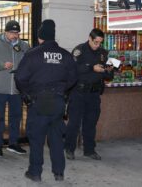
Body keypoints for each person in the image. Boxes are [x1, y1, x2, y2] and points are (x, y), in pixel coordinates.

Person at [15, 20, 77, 182]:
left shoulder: (32, 54)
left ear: (40, 37)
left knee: (36, 139)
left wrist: (27, 95)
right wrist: (62, 90)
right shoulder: (65, 55)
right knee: (56, 139)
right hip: (57, 102)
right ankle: (59, 173)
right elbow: (73, 78)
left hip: (38, 102)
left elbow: (20, 78)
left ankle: (35, 172)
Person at [65, 28, 113, 161]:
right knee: (74, 122)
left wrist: (109, 70)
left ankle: (89, 150)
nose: (98, 45)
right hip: (79, 92)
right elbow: (72, 69)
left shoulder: (103, 53)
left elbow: (109, 75)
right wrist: (91, 68)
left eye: (100, 42)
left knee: (91, 123)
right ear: (90, 38)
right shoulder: (79, 50)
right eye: (96, 42)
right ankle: (69, 149)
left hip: (94, 93)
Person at [0, 20, 29, 157]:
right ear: (5, 32)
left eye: (16, 33)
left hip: (16, 89)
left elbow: (30, 63)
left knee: (16, 117)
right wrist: (2, 65)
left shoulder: (25, 46)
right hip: (0, 89)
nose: (14, 35)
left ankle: (13, 143)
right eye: (12, 33)